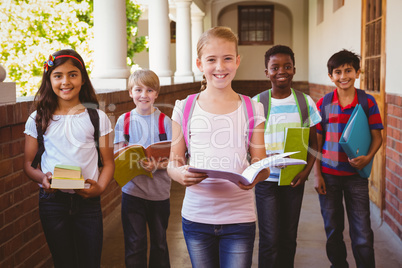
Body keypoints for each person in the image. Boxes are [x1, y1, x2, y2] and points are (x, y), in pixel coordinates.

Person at [167, 26, 268, 268]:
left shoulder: (252, 108)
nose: (220, 67)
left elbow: (260, 164)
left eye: (227, 59)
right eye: (211, 59)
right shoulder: (184, 107)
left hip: (239, 218)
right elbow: (174, 161)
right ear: (199, 63)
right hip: (196, 216)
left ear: (238, 61)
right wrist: (179, 175)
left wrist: (257, 175)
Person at [23, 49, 115, 267]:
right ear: (49, 79)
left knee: (90, 261)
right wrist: (41, 179)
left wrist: (100, 188)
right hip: (53, 203)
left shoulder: (97, 117)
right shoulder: (37, 118)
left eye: (73, 74)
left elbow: (109, 163)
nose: (66, 81)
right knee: (63, 262)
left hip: (88, 202)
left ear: (83, 78)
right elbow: (27, 164)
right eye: (58, 75)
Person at [252, 45, 321, 268]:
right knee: (269, 239)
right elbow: (248, 143)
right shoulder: (257, 104)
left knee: (288, 238)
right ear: (267, 72)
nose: (281, 71)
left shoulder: (305, 103)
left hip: (294, 180)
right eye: (275, 67)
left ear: (294, 70)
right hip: (266, 181)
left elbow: (314, 144)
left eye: (287, 66)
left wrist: (306, 172)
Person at [314, 49, 383, 268]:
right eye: (338, 72)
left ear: (357, 72)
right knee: (333, 230)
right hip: (329, 177)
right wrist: (318, 176)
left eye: (348, 70)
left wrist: (368, 157)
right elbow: (316, 143)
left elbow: (377, 137)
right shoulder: (323, 104)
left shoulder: (367, 102)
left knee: (362, 231)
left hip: (356, 177)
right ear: (330, 76)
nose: (343, 76)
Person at [114, 69, 172, 268]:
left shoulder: (166, 122)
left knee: (160, 244)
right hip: (132, 194)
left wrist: (158, 164)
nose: (144, 95)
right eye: (138, 90)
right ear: (130, 92)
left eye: (149, 90)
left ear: (156, 93)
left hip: (159, 195)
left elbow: (177, 158)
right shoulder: (124, 121)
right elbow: (117, 154)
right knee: (134, 244)